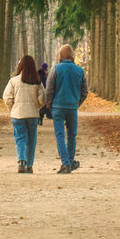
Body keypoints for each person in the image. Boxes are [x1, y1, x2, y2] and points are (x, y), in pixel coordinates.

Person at [43, 44, 88, 174]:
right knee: (72, 135)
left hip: (58, 107)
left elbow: (49, 89)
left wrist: (49, 105)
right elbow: (85, 91)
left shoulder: (56, 69)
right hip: (72, 107)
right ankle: (69, 161)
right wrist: (77, 103)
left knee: (60, 135)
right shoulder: (79, 70)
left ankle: (66, 163)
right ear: (72, 55)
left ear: (60, 56)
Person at [3, 55, 46, 174]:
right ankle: (29, 165)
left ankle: (21, 160)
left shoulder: (13, 81)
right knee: (31, 140)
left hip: (18, 114)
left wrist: (11, 108)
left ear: (20, 66)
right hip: (32, 115)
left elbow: (7, 97)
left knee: (20, 138)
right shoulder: (37, 81)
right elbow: (43, 99)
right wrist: (37, 106)